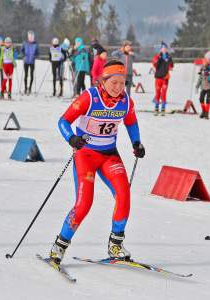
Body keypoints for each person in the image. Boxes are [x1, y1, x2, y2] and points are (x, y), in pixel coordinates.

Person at [49, 60, 145, 266]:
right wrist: (72, 138)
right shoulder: (89, 97)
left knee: (124, 194)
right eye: (114, 82)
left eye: (123, 83)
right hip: (86, 155)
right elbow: (63, 121)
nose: (119, 87)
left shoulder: (126, 101)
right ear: (104, 80)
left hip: (109, 154)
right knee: (84, 204)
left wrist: (137, 142)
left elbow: (131, 122)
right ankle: (59, 247)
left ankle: (115, 246)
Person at [152, 42, 174, 116]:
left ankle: (163, 109)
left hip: (165, 78)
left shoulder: (168, 57)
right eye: (162, 48)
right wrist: (160, 59)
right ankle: (156, 108)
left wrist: (170, 66)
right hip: (158, 77)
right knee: (157, 93)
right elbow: (155, 65)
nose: (164, 50)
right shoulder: (157, 56)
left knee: (163, 94)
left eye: (165, 48)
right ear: (160, 49)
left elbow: (171, 65)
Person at [21, 30, 39, 95]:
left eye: (32, 37)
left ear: (33, 37)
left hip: (32, 61)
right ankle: (25, 88)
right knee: (26, 75)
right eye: (29, 37)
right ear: (28, 37)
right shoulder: (25, 43)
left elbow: (37, 53)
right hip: (26, 61)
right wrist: (23, 56)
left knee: (31, 75)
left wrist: (35, 56)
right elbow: (22, 50)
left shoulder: (35, 44)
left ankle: (30, 88)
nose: (31, 38)